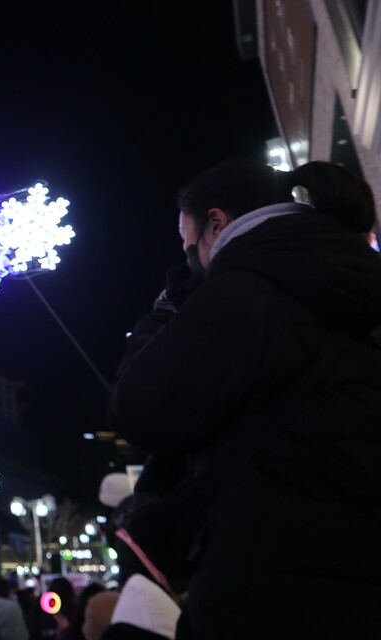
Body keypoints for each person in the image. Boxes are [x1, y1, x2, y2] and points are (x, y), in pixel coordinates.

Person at [107, 159, 381, 637]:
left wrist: (167, 308)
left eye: (186, 241)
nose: (188, 254)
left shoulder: (247, 289)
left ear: (217, 223)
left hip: (272, 581)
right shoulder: (357, 277)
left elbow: (138, 410)